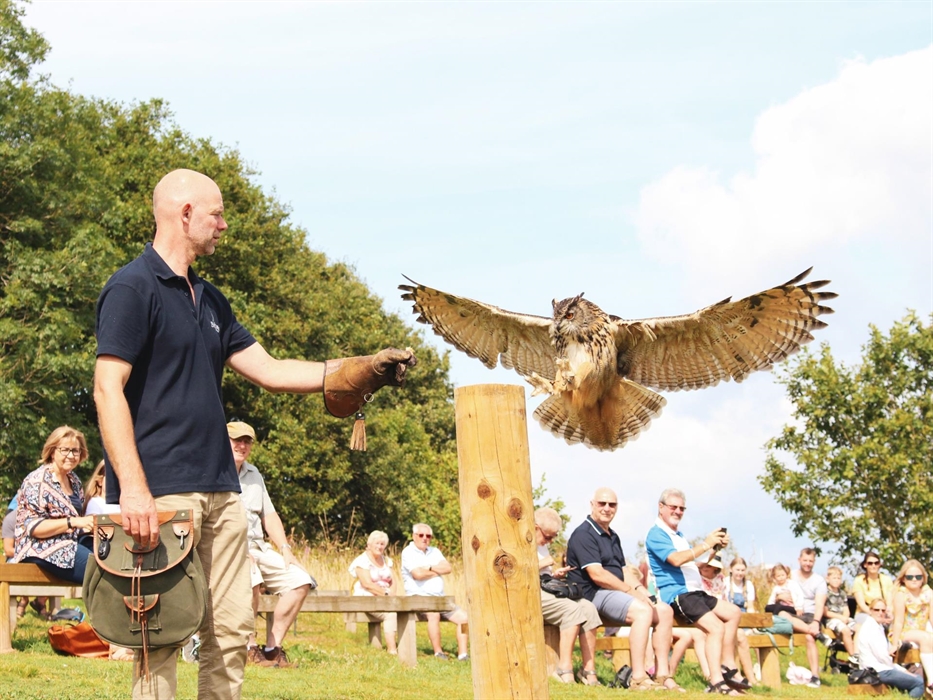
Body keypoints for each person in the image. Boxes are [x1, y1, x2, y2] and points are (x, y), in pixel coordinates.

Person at [93, 168, 416, 699]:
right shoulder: (132, 286)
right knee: (162, 633)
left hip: (223, 489)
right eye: (216, 214)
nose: (224, 225)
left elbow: (269, 369)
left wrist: (354, 370)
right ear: (186, 213)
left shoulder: (212, 299)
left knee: (230, 632)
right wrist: (132, 488)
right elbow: (108, 389)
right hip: (161, 491)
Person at [566, 487, 677, 691]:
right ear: (592, 504)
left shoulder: (612, 535)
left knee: (664, 610)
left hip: (613, 591)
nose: (607, 508)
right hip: (591, 594)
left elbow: (622, 569)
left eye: (612, 504)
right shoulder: (584, 533)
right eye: (602, 503)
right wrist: (630, 591)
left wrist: (639, 589)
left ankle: (662, 674)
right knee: (642, 612)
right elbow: (597, 575)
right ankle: (638, 677)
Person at [645, 488, 745, 695]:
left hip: (696, 591)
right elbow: (676, 560)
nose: (678, 511)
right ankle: (716, 681)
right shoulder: (656, 534)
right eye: (673, 507)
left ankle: (727, 665)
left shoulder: (678, 535)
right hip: (678, 594)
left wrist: (714, 549)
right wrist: (705, 543)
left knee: (734, 612)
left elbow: (692, 563)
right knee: (715, 628)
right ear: (661, 507)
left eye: (682, 508)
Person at [231, 421, 315, 668]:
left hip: (258, 547)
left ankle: (272, 650)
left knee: (300, 580)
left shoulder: (254, 474)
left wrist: (286, 549)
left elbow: (269, 515)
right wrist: (239, 550)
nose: (242, 445)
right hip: (228, 548)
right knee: (252, 577)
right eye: (236, 440)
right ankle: (249, 647)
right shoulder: (213, 471)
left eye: (247, 441)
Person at [12, 426, 95, 585]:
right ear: (52, 451)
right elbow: (34, 527)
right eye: (65, 450)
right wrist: (73, 522)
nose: (71, 456)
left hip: (71, 543)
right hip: (39, 548)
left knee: (111, 560)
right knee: (96, 570)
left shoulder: (75, 482)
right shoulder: (37, 481)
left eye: (75, 451)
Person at [534, 507, 601, 685]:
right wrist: (543, 563)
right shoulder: (521, 541)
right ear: (535, 528)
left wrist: (555, 574)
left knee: (588, 608)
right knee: (571, 610)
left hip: (546, 587)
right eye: (548, 537)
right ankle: (564, 668)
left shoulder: (542, 545)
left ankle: (588, 669)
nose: (550, 541)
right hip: (530, 592)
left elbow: (543, 574)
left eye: (554, 536)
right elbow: (516, 571)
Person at [400, 522, 469, 660]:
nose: (425, 538)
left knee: (465, 619)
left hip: (440, 598)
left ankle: (463, 654)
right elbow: (417, 575)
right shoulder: (408, 552)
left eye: (428, 536)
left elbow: (448, 568)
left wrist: (429, 568)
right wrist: (437, 571)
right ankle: (438, 652)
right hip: (419, 597)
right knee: (434, 614)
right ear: (414, 536)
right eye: (421, 535)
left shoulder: (435, 551)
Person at [765, 562, 822, 686]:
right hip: (785, 614)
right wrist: (778, 598)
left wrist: (799, 607)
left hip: (797, 611)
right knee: (779, 612)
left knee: (809, 638)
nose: (781, 578)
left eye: (782, 575)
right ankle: (814, 631)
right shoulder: (776, 589)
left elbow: (798, 596)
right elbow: (770, 603)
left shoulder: (793, 584)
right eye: (778, 576)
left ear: (787, 575)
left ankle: (815, 676)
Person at [857, 600, 925, 698]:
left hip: (883, 669)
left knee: (918, 677)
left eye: (883, 610)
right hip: (875, 671)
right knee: (919, 683)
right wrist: (901, 671)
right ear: (870, 610)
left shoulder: (879, 627)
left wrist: (903, 671)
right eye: (877, 610)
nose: (880, 613)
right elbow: (883, 657)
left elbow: (888, 654)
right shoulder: (870, 628)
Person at [349, 530, 398, 655]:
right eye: (377, 543)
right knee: (390, 614)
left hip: (385, 598)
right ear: (369, 544)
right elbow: (367, 584)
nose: (379, 547)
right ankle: (392, 650)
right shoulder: (361, 561)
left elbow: (394, 580)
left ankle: (404, 645)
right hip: (366, 598)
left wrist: (391, 594)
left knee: (403, 611)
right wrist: (386, 595)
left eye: (382, 544)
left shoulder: (387, 561)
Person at [888, 560, 933, 690]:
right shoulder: (901, 594)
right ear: (904, 579)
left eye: (918, 577)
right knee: (925, 638)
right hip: (903, 632)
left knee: (928, 638)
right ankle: (931, 681)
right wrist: (894, 644)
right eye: (910, 577)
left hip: (922, 633)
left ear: (923, 578)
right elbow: (899, 621)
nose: (914, 579)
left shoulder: (929, 593)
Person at [791, 547, 828, 686]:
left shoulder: (819, 581)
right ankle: (818, 635)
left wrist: (816, 622)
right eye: (805, 560)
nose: (807, 563)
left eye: (810, 561)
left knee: (809, 638)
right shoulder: (791, 576)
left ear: (814, 562)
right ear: (799, 560)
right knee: (782, 615)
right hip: (793, 614)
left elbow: (819, 604)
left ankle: (815, 676)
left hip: (810, 615)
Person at [823, 566, 858, 664]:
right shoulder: (825, 592)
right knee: (845, 630)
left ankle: (857, 653)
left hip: (843, 618)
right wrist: (840, 617)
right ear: (828, 579)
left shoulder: (842, 593)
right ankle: (853, 656)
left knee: (859, 628)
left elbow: (846, 609)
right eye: (834, 578)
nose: (836, 580)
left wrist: (845, 617)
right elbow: (825, 612)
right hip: (831, 619)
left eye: (838, 578)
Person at [853, 552, 894, 625]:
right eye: (870, 563)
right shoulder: (859, 580)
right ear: (865, 565)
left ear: (879, 564)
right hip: (865, 614)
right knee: (872, 623)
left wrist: (889, 615)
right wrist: (876, 617)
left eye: (876, 563)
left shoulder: (887, 579)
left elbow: (889, 604)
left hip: (883, 613)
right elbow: (862, 605)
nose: (873, 565)